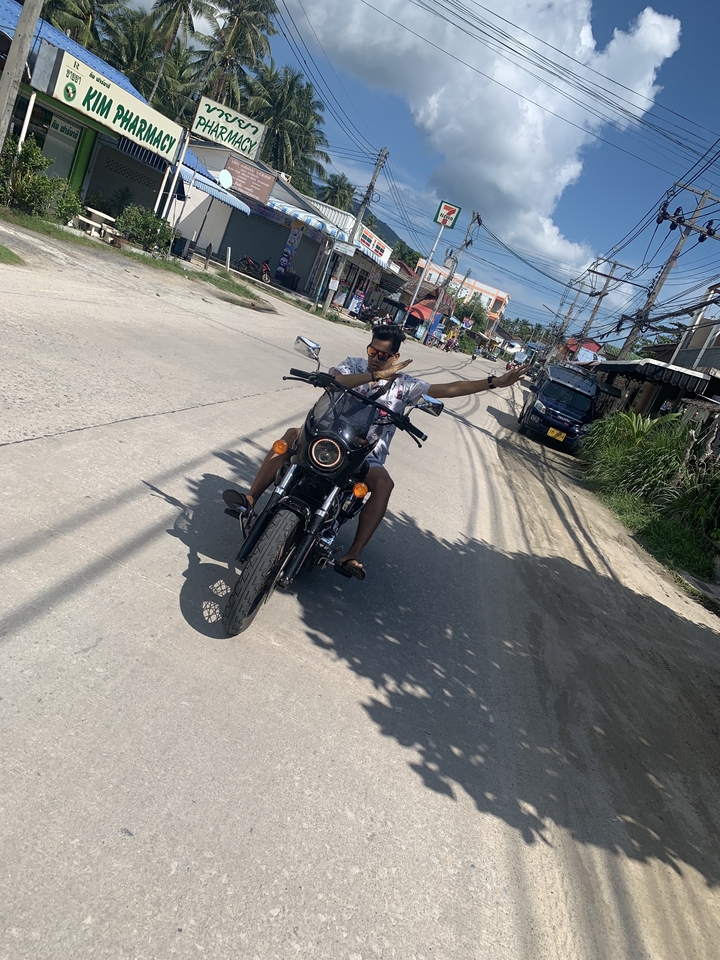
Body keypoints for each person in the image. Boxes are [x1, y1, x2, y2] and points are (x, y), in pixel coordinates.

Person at [224, 324, 527, 580]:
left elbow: (447, 389)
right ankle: (251, 499)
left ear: (395, 356)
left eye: (383, 355)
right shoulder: (354, 366)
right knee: (290, 436)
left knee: (384, 484)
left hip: (364, 453)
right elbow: (336, 381)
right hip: (328, 436)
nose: (375, 358)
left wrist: (494, 383)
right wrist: (374, 377)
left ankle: (353, 554)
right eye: (373, 351)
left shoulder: (405, 386)